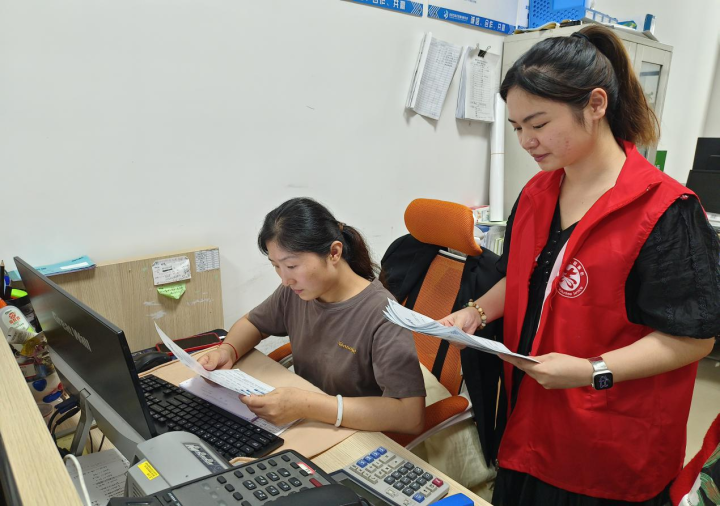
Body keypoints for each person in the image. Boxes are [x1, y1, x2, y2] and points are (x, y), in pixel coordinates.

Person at [440, 25, 720, 505]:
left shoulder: (664, 211)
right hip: (530, 422)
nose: (527, 141)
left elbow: (693, 339)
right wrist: (475, 312)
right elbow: (525, 277)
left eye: (539, 124)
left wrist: (592, 370)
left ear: (595, 105)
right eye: (517, 128)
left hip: (608, 442)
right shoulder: (537, 192)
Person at [199, 197, 426, 434]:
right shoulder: (296, 292)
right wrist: (227, 351)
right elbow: (253, 322)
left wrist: (306, 405)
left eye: (291, 266)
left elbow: (410, 416)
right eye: (276, 266)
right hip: (310, 422)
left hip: (358, 433)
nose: (285, 280)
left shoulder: (382, 314)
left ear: (334, 253)